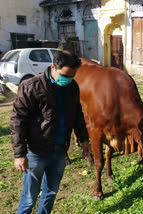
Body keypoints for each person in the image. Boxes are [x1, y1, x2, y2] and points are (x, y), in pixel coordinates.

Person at [10, 50, 91, 214]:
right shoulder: (32, 86)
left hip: (59, 151)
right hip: (36, 152)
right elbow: (18, 120)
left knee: (51, 193)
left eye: (71, 76)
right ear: (53, 67)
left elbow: (77, 114)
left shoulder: (72, 87)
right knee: (29, 198)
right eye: (64, 75)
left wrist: (84, 140)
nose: (67, 80)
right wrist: (19, 154)